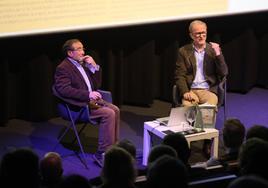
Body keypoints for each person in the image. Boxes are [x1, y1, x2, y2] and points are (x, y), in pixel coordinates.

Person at [53, 39, 120, 167]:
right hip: (76, 106)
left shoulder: (82, 64)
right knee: (108, 113)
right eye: (79, 49)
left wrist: (93, 66)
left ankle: (113, 149)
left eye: (83, 48)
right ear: (69, 53)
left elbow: (96, 85)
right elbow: (63, 90)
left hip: (90, 101)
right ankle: (102, 154)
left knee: (115, 109)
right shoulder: (63, 68)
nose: (83, 52)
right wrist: (87, 95)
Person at [175, 20, 228, 158]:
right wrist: (185, 92)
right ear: (191, 35)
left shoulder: (212, 50)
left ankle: (206, 141)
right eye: (198, 33)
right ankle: (187, 143)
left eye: (203, 33)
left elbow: (223, 73)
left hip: (208, 90)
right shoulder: (183, 51)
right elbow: (179, 75)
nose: (201, 36)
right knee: (187, 108)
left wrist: (218, 54)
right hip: (191, 89)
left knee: (209, 107)